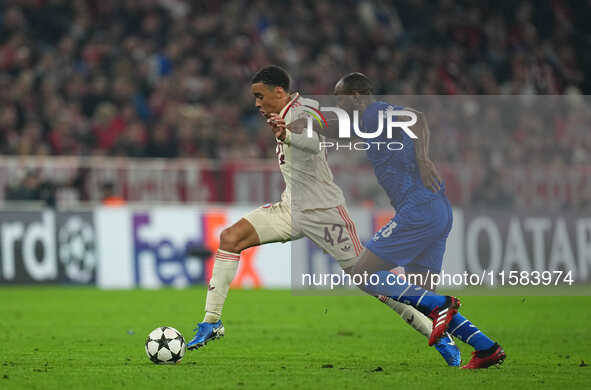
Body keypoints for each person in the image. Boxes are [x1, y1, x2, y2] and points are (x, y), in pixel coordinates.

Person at [187, 66, 459, 367]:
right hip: (291, 209)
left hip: (326, 213)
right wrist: (283, 132)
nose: (256, 103)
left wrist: (287, 135)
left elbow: (314, 142)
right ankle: (212, 322)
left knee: (371, 282)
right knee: (230, 238)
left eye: (260, 96)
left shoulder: (308, 110)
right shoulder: (282, 115)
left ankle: (438, 331)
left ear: (280, 92)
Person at [324, 72, 505, 369]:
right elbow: (335, 131)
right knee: (421, 299)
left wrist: (423, 158)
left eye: (340, 97)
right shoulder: (365, 124)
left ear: (356, 96)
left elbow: (417, 118)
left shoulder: (376, 112)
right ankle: (486, 348)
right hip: (435, 210)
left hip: (418, 209)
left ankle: (441, 305)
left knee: (363, 274)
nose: (338, 103)